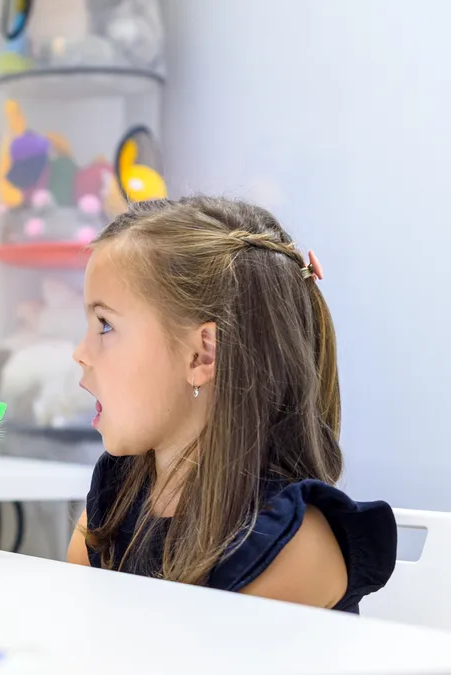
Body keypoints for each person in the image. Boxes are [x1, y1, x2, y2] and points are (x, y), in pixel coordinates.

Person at [66, 196, 396, 612]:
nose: (80, 352)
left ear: (202, 354)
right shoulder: (116, 496)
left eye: (106, 324)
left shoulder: (288, 545)